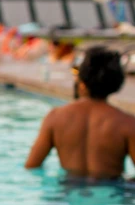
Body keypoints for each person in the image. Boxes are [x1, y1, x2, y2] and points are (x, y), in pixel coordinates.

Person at [25, 46, 134, 180]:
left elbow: (32, 166)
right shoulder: (127, 123)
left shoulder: (55, 117)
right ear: (116, 84)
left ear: (82, 82)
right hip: (112, 192)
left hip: (67, 191)